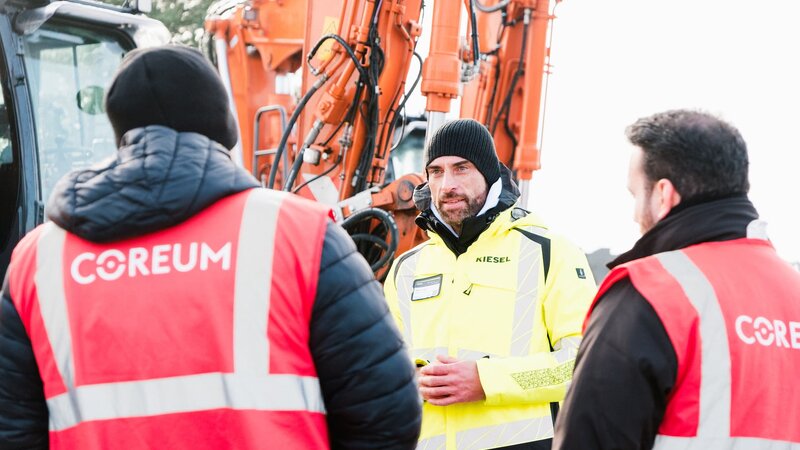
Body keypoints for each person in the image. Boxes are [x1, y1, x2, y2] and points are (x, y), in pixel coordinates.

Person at [0, 45, 421, 449]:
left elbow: (13, 429)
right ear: (223, 127)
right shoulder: (297, 233)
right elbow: (387, 412)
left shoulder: (38, 260)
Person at [553, 109, 800, 449]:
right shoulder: (793, 290)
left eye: (635, 194)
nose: (634, 213)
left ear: (663, 195)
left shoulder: (651, 291)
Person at [383, 118, 597, 449]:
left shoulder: (549, 252)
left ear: (488, 174)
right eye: (436, 172)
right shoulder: (405, 269)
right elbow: (385, 369)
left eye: (461, 168)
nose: (447, 184)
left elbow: (584, 363)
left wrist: (486, 381)